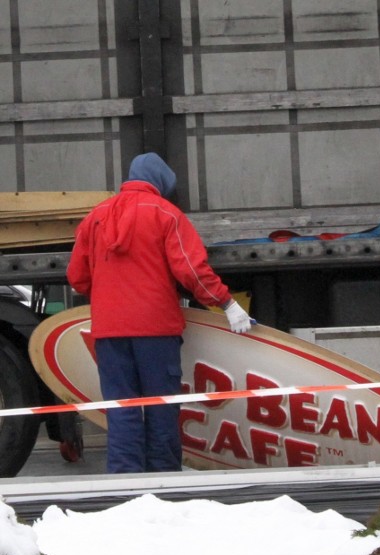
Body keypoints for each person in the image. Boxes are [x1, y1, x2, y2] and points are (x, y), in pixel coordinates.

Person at [67, 152, 253, 474]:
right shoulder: (166, 215)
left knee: (122, 410)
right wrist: (227, 303)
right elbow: (192, 271)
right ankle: (163, 484)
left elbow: (77, 277)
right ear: (160, 183)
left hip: (109, 333)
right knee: (161, 410)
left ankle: (125, 487)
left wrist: (110, 291)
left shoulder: (94, 217)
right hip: (156, 331)